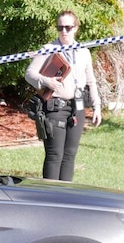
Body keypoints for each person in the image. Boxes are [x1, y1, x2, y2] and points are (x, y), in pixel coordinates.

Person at [25, 10, 102, 181]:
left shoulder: (83, 52)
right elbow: (29, 73)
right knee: (54, 154)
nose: (64, 32)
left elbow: (91, 81)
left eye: (68, 27)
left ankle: (66, 198)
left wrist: (97, 106)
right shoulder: (48, 49)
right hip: (55, 107)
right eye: (60, 27)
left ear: (76, 28)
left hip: (77, 107)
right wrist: (47, 81)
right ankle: (49, 198)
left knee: (69, 155)